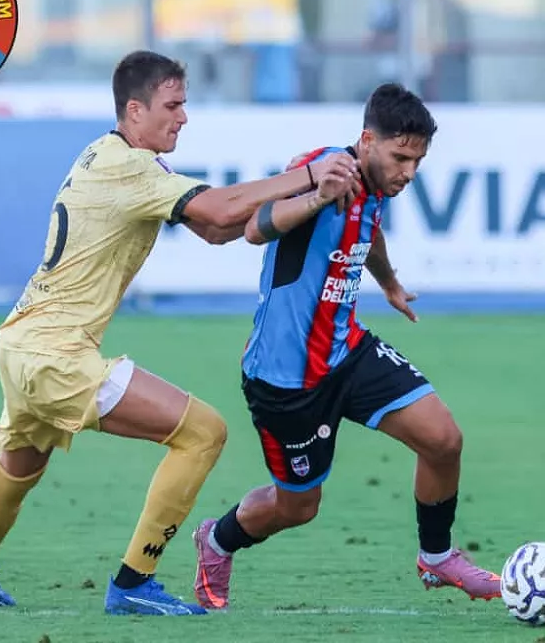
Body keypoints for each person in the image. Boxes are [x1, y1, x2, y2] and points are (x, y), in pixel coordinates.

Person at [0, 50, 360, 616]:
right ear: (135, 110)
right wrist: (309, 174)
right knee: (203, 432)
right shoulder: (127, 167)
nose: (183, 117)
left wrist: (311, 199)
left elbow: (215, 228)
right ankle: (134, 583)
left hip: (20, 344)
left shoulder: (113, 158)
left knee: (18, 470)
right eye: (173, 105)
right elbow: (222, 204)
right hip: (55, 355)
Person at [190, 83, 502, 610]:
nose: (408, 172)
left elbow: (368, 230)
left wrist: (391, 285)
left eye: (417, 162)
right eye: (401, 157)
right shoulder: (323, 167)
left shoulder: (377, 185)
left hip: (347, 351)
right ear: (366, 141)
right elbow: (255, 228)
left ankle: (436, 556)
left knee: (444, 440)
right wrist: (315, 196)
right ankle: (217, 539)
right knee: (298, 507)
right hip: (285, 377)